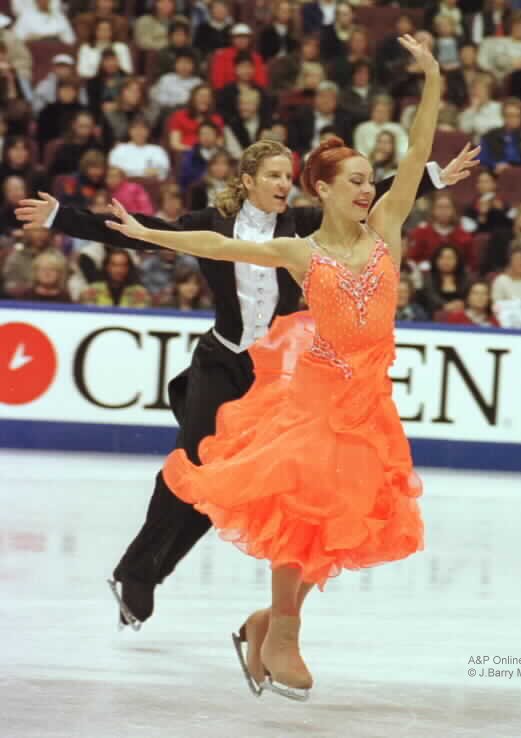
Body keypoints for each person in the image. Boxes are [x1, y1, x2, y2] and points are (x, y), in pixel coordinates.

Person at [15, 135, 479, 632]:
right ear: (248, 181)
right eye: (273, 176)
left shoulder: (304, 226)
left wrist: (432, 177)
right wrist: (60, 217)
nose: (283, 184)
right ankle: (138, 571)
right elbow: (143, 232)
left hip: (277, 375)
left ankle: (187, 584)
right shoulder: (210, 223)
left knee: (234, 487)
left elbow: (367, 193)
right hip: (221, 361)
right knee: (192, 463)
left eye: (288, 176)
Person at [102, 33, 440, 699]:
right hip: (315, 395)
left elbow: (418, 150)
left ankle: (265, 622)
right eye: (354, 181)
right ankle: (284, 630)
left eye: (370, 180)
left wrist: (431, 80)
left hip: (369, 399)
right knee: (301, 507)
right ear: (323, 188)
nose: (367, 189)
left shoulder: (387, 228)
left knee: (346, 516)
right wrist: (149, 233)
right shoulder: (299, 251)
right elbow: (214, 243)